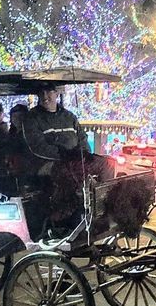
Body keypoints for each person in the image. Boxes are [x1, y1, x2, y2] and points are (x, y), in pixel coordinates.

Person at [22, 82, 115, 221]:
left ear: (56, 94)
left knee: (106, 163)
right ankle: (63, 216)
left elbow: (82, 138)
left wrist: (84, 154)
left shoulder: (69, 117)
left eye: (49, 92)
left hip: (74, 159)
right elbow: (38, 147)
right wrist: (64, 155)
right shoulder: (32, 118)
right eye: (41, 94)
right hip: (47, 164)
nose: (45, 97)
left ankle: (103, 203)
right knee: (70, 174)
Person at [7, 103, 31, 176]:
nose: (17, 119)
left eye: (21, 116)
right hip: (13, 170)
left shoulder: (31, 134)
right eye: (14, 116)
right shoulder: (11, 135)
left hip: (26, 171)